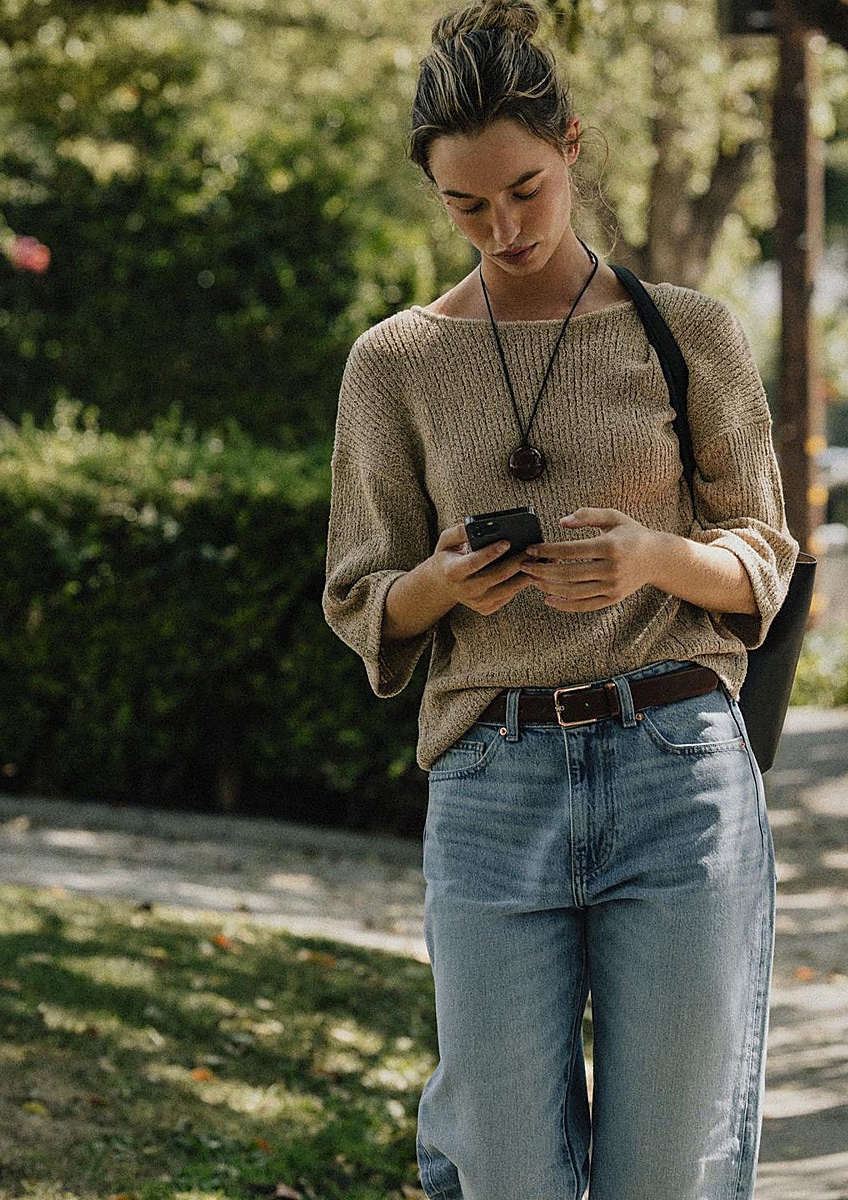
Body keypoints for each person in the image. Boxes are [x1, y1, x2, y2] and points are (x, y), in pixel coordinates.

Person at [322, 2, 800, 1198]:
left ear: (572, 147)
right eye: (467, 205)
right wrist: (437, 584)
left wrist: (651, 558)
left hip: (677, 771)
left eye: (525, 190)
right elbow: (360, 594)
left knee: (669, 1170)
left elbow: (764, 558)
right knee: (505, 1169)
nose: (505, 228)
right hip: (493, 782)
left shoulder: (690, 334)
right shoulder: (395, 362)